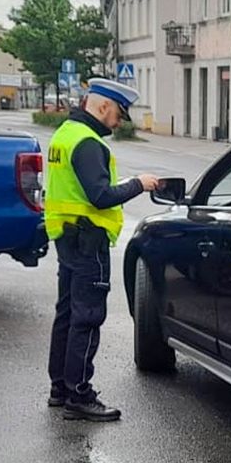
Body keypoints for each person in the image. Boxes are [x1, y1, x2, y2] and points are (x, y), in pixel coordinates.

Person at [45, 78, 159, 422]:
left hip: (67, 238)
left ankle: (60, 388)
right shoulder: (88, 143)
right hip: (88, 242)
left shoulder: (65, 134)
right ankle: (79, 394)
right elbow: (100, 195)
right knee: (87, 317)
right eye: (118, 114)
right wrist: (138, 184)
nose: (118, 122)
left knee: (66, 314)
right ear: (103, 106)